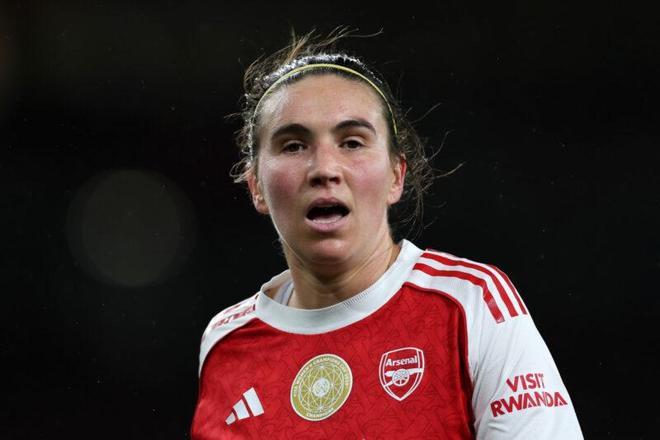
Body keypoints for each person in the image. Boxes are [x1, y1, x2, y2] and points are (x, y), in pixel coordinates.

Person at [191, 29, 583, 439]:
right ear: (256, 186)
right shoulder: (226, 342)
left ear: (397, 175)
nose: (324, 169)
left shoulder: (470, 304)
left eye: (352, 142)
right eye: (293, 146)